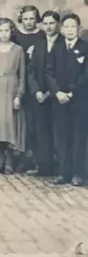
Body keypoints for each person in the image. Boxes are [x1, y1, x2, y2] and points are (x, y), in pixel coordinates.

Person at [45, 13, 88, 186]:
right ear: (61, 29)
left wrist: (72, 93)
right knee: (61, 136)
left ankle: (78, 173)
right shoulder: (56, 47)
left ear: (78, 29)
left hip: (78, 100)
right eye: (67, 27)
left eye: (73, 27)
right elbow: (48, 72)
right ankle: (64, 172)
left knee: (78, 136)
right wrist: (57, 92)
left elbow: (86, 75)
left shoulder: (85, 47)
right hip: (59, 100)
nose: (70, 30)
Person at [0, 18, 27, 175]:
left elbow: (22, 76)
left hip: (11, 91)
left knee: (10, 126)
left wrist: (19, 96)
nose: (4, 34)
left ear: (11, 31)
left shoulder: (18, 50)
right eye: (1, 31)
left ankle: (9, 161)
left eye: (7, 30)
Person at [25, 10, 62, 177]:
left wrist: (50, 92)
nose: (48, 26)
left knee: (58, 131)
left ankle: (60, 167)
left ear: (58, 24)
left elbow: (63, 72)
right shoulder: (38, 44)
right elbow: (31, 70)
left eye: (52, 23)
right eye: (45, 23)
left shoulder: (63, 43)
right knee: (41, 131)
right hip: (39, 96)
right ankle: (43, 166)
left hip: (57, 95)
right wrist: (36, 91)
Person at [14, 5, 45, 172]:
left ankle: (38, 158)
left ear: (37, 19)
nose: (28, 22)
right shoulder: (15, 35)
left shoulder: (42, 35)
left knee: (36, 122)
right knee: (22, 122)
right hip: (19, 81)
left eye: (32, 18)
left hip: (36, 82)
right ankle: (23, 157)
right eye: (25, 18)